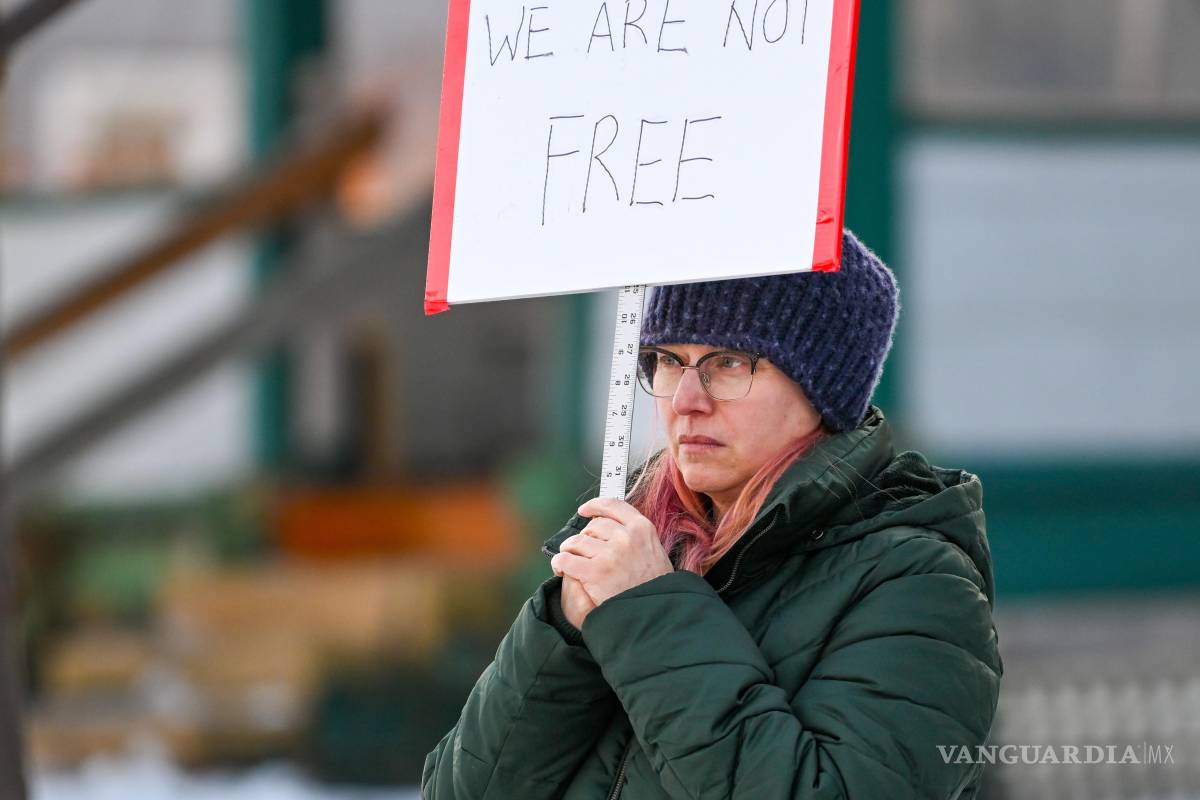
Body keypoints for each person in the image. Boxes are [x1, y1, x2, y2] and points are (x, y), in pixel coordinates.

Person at [421, 230, 1003, 799]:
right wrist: (565, 633)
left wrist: (646, 617)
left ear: (823, 393)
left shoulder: (918, 581)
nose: (684, 400)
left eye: (729, 363)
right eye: (670, 361)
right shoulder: (641, 545)